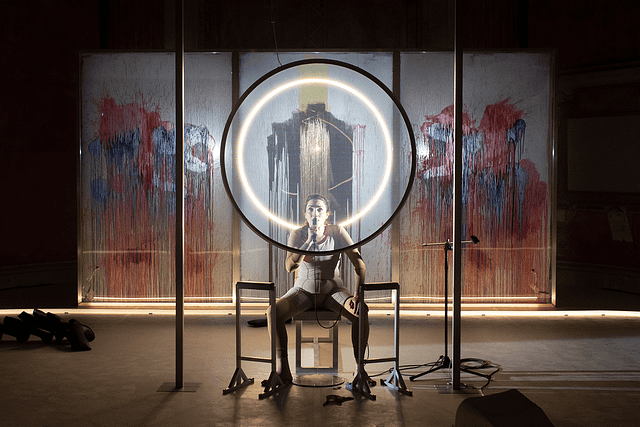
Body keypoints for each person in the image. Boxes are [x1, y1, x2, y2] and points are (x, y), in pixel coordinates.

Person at [267, 194, 369, 384]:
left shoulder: (337, 232)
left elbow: (359, 264)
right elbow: (290, 267)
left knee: (361, 311)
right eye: (311, 209)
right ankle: (283, 370)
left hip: (333, 292)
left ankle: (359, 369)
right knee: (273, 311)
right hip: (304, 292)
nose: (315, 213)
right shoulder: (297, 234)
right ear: (305, 214)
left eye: (320, 209)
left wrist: (357, 293)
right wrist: (308, 242)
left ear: (327, 214)